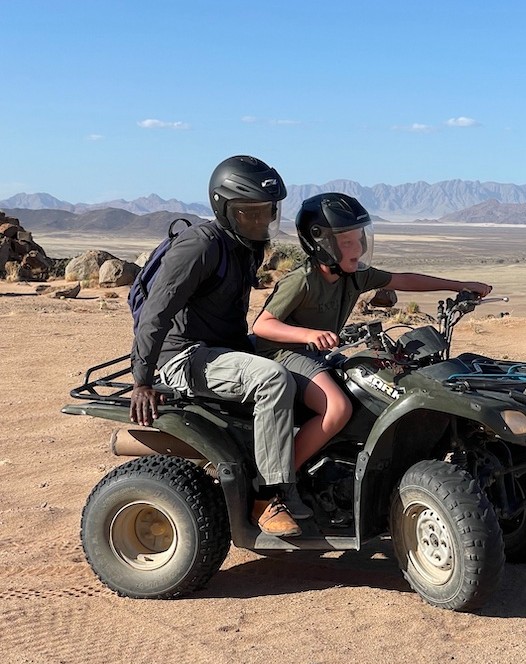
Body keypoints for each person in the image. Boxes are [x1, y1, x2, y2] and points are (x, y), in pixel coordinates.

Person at [251, 193, 492, 503]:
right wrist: (308, 334)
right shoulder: (302, 280)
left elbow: (402, 279)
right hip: (284, 354)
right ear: (321, 244)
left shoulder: (354, 277)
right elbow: (263, 325)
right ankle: (276, 487)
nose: (358, 249)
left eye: (359, 240)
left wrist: (458, 285)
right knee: (337, 408)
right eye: (347, 242)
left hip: (314, 354)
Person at [129, 154, 305, 538]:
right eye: (249, 213)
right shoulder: (199, 247)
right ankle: (266, 496)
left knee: (312, 362)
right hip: (183, 355)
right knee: (272, 379)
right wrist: (142, 380)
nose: (260, 222)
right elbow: (155, 314)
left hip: (225, 348)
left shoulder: (245, 244)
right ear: (224, 209)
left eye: (266, 212)